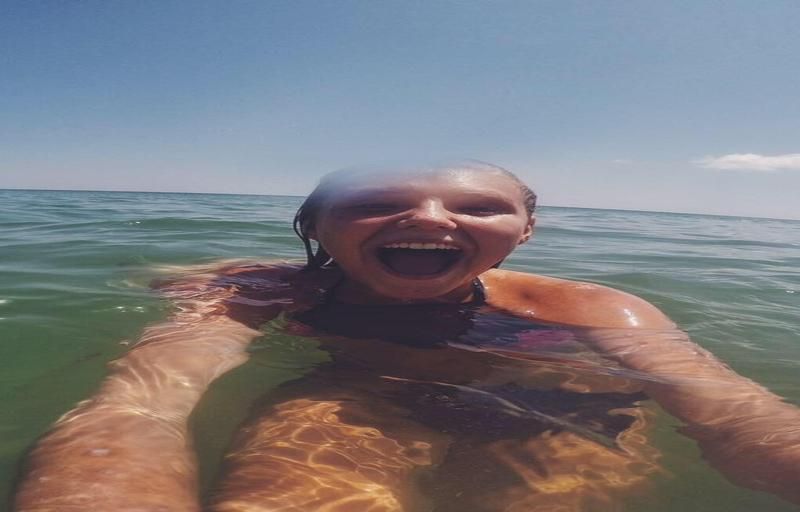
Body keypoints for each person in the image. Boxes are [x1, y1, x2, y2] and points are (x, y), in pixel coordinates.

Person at [14, 162, 800, 512]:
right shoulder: (262, 290)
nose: (427, 219)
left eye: (480, 207)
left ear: (525, 232)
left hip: (558, 408)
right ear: (316, 226)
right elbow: (140, 408)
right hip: (359, 399)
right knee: (282, 497)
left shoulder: (590, 309)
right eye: (375, 201)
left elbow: (733, 411)